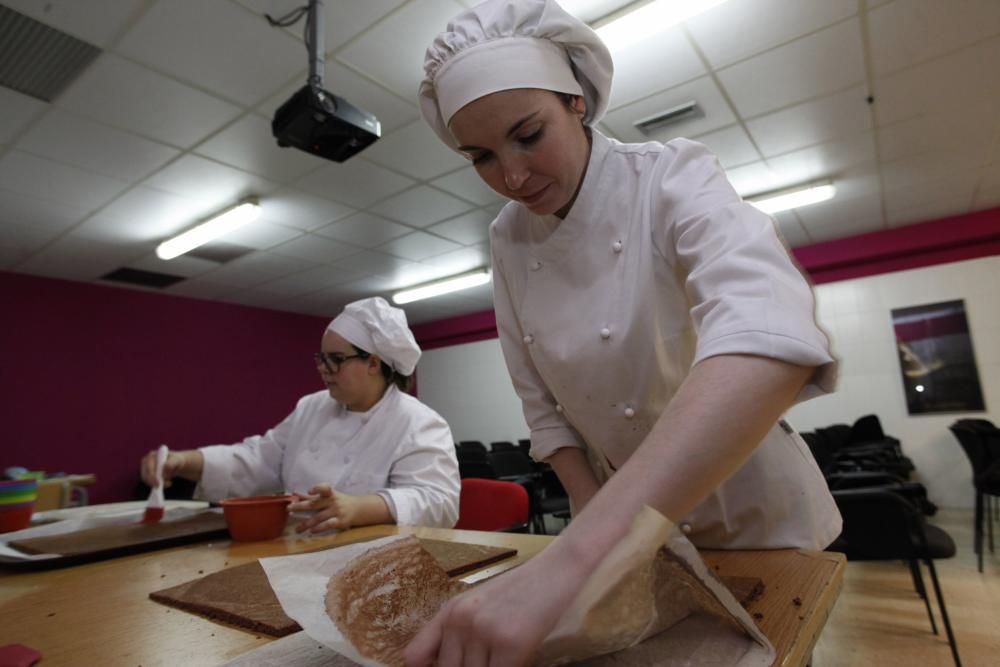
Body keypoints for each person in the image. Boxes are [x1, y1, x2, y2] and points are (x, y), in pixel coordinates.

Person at [405, 1, 842, 664]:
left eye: (528, 134)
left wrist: (585, 550)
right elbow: (540, 404)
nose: (513, 177)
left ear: (576, 100)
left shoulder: (671, 176)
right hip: (619, 528)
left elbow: (768, 330)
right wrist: (597, 521)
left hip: (759, 518)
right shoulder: (506, 239)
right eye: (482, 157)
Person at [139, 296, 460, 532]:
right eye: (321, 358)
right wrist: (183, 461)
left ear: (373, 364)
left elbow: (439, 503)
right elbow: (258, 458)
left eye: (335, 359)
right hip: (299, 548)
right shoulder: (312, 406)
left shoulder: (418, 422)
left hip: (380, 566)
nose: (323, 370)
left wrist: (359, 507)